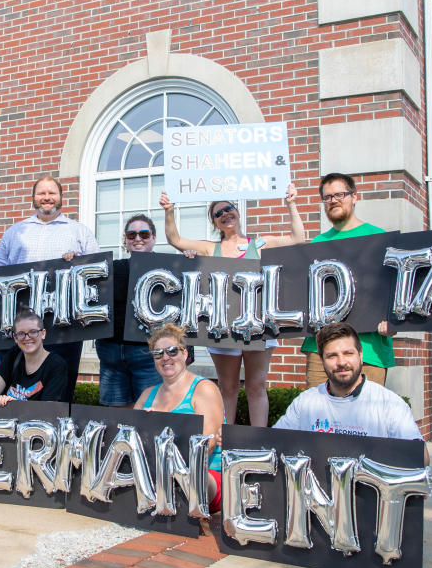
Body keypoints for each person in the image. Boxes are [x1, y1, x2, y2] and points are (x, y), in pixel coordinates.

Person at [159, 184, 306, 427]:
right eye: (218, 213)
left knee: (256, 386)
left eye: (228, 208)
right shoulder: (210, 248)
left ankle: (258, 442)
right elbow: (175, 240)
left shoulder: (259, 244)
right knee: (228, 388)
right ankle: (225, 441)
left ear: (237, 212)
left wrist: (291, 204)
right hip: (223, 326)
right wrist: (169, 210)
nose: (225, 214)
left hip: (257, 323)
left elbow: (297, 240)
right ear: (215, 222)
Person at [0, 175, 100, 403]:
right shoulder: (14, 233)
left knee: (60, 388)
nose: (47, 198)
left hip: (64, 326)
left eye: (52, 193)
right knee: (11, 386)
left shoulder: (79, 232)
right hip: (19, 325)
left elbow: (98, 273)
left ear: (61, 197)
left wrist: (80, 262)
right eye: (41, 193)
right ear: (33, 197)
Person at [300, 173, 395, 388]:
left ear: (354, 197)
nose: (333, 200)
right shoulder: (318, 243)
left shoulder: (378, 238)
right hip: (321, 349)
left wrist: (394, 321)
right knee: (318, 416)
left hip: (368, 349)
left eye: (340, 194)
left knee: (366, 417)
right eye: (327, 197)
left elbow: (394, 291)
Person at [95, 214, 195, 406]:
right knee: (117, 412)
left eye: (144, 234)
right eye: (131, 235)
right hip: (111, 351)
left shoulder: (170, 268)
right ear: (125, 240)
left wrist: (190, 261)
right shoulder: (111, 268)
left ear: (153, 238)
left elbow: (184, 309)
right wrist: (71, 261)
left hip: (148, 352)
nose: (138, 239)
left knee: (151, 410)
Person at [275, 322, 425, 449]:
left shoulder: (390, 403)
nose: (341, 362)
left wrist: (395, 321)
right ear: (322, 359)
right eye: (332, 356)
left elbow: (419, 458)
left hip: (373, 342)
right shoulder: (305, 402)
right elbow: (275, 443)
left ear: (360, 355)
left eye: (348, 354)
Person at [133, 323, 225, 513]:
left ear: (185, 354)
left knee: (192, 478)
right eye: (158, 353)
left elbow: (208, 443)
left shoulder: (203, 389)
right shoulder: (146, 395)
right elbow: (130, 440)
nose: (165, 357)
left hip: (204, 475)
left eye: (172, 351)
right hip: (156, 474)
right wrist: (144, 426)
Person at [0, 310, 69, 407]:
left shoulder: (56, 365)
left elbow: (48, 410)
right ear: (15, 338)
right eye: (21, 334)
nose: (27, 337)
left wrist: (16, 406)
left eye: (33, 332)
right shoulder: (14, 355)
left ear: (43, 333)